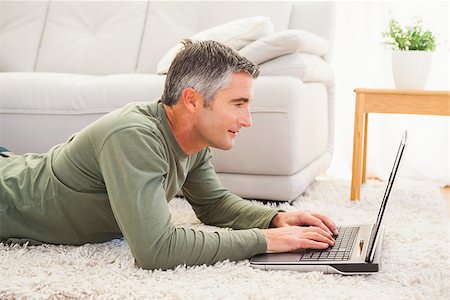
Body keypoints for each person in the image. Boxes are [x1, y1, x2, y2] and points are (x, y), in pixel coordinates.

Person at [0, 40, 338, 270]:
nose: (246, 121)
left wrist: (275, 219)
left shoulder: (193, 140)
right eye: (238, 104)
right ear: (192, 100)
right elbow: (155, 249)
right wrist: (265, 240)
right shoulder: (133, 135)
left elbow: (214, 205)